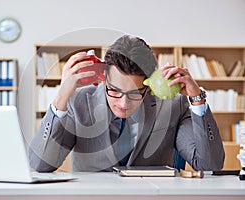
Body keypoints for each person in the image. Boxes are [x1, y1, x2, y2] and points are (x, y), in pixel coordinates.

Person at [29, 35, 225, 172]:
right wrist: (62, 95)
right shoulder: (78, 102)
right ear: (103, 78)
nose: (123, 103)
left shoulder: (175, 105)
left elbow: (210, 165)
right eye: (114, 91)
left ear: (149, 84)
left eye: (134, 93)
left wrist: (197, 99)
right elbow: (40, 164)